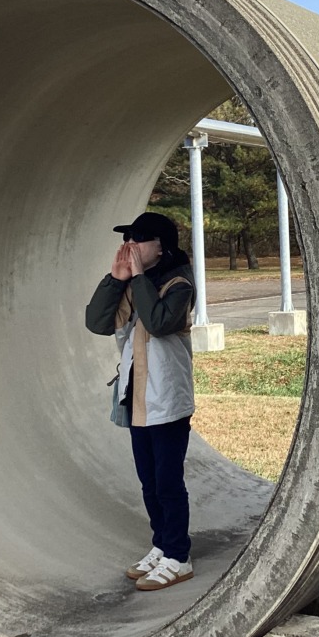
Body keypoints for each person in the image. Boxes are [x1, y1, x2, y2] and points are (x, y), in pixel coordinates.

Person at [84, 211, 196, 591]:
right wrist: (114, 281)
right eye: (126, 238)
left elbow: (161, 322)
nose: (129, 245)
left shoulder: (178, 284)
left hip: (167, 400)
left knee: (167, 482)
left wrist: (137, 279)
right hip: (137, 400)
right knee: (149, 481)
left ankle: (179, 557)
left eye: (139, 239)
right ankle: (161, 544)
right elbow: (97, 322)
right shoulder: (133, 285)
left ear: (161, 247)